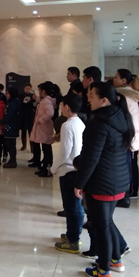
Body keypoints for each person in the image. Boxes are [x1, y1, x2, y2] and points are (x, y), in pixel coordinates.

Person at [73, 82, 134, 277]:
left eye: (91, 95)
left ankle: (104, 270)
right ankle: (116, 260)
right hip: (118, 181)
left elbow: (91, 158)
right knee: (107, 222)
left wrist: (79, 183)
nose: (88, 99)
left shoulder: (99, 123)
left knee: (102, 227)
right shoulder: (120, 116)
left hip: (101, 183)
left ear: (104, 100)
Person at [51, 93, 86, 254]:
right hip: (77, 168)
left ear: (66, 107)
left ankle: (73, 241)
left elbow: (64, 152)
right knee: (76, 206)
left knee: (71, 207)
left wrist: (53, 168)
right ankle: (73, 233)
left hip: (68, 170)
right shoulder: (80, 122)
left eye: (61, 105)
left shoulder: (67, 125)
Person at [113, 69, 139, 203]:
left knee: (130, 165)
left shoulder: (125, 96)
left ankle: (131, 191)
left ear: (123, 81)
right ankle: (128, 191)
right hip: (130, 134)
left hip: (130, 135)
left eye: (116, 77)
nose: (113, 79)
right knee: (129, 163)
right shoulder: (127, 94)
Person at [30, 82, 58, 174]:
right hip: (43, 128)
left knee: (46, 149)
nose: (39, 92)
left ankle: (47, 168)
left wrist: (40, 120)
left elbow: (50, 113)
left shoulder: (47, 101)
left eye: (40, 90)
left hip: (44, 127)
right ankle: (45, 167)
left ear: (44, 91)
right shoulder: (45, 100)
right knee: (45, 148)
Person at [0, 87, 21, 168]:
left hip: (11, 127)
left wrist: (2, 121)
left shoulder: (13, 104)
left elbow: (9, 115)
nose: (6, 95)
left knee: (10, 144)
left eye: (7, 94)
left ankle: (13, 160)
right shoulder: (11, 103)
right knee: (10, 144)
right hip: (10, 126)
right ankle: (12, 160)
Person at [19, 84, 36, 151]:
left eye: (29, 89)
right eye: (26, 89)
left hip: (30, 115)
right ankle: (24, 145)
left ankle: (32, 147)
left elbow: (35, 105)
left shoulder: (33, 96)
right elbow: (20, 104)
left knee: (30, 131)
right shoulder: (21, 95)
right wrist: (24, 100)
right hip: (23, 115)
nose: (27, 90)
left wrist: (32, 100)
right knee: (23, 131)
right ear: (24, 89)